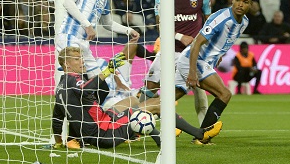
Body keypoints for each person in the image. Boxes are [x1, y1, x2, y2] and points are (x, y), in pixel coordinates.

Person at [51, 47, 221, 149]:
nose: (81, 61)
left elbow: (56, 118)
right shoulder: (75, 81)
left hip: (101, 122)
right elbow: (86, 88)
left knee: (133, 100)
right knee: (157, 104)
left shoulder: (60, 87)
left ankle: (143, 131)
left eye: (81, 57)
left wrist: (60, 142)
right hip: (103, 132)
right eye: (76, 59)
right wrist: (107, 71)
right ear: (66, 64)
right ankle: (199, 134)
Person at [55, 0, 139, 102]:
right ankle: (66, 113)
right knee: (75, 83)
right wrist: (87, 25)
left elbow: (107, 23)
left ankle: (94, 118)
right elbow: (67, 2)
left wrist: (128, 30)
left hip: (83, 44)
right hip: (69, 37)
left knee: (101, 86)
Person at [176, 0, 255, 144]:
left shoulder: (244, 22)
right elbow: (197, 43)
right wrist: (192, 73)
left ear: (250, 5)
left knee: (169, 99)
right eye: (237, 0)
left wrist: (219, 55)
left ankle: (133, 121)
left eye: (245, 2)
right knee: (224, 94)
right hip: (195, 60)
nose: (240, 4)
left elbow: (227, 40)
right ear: (233, 0)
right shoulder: (221, 18)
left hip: (202, 62)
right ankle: (202, 137)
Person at [137, 0, 211, 124]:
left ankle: (205, 131)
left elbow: (209, 25)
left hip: (192, 52)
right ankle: (132, 124)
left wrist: (210, 48)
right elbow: (160, 26)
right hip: (169, 51)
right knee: (150, 85)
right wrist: (180, 37)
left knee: (199, 88)